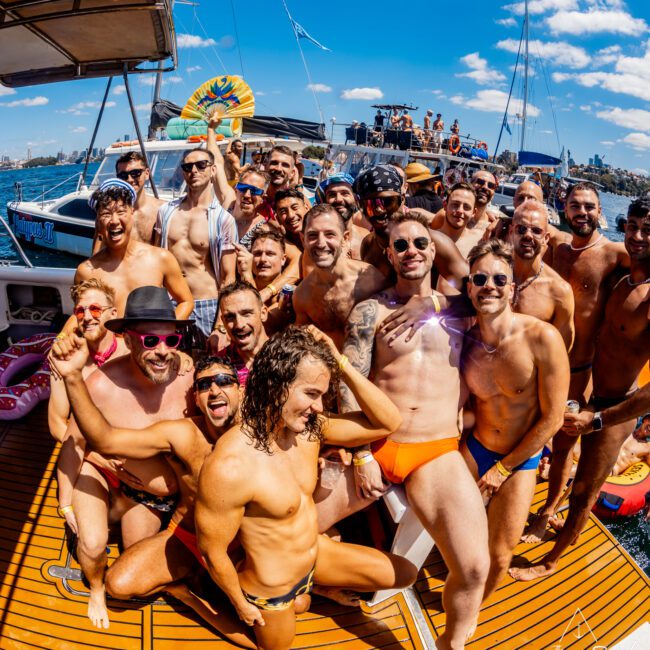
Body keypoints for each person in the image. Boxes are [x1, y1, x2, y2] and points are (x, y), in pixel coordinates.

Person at [321, 213, 490, 648]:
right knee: (291, 527)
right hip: (374, 443)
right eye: (401, 246)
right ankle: (320, 583)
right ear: (391, 256)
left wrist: (433, 303)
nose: (411, 251)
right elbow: (349, 383)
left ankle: (452, 645)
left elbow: (497, 292)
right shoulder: (370, 312)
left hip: (433, 451)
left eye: (420, 242)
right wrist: (359, 455)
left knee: (473, 568)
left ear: (434, 250)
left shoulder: (463, 308)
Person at [195, 326, 417, 650]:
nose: (318, 406)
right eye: (311, 394)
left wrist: (340, 362)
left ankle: (313, 591)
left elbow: (387, 422)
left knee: (405, 573)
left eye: (323, 395)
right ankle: (196, 602)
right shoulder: (230, 465)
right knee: (276, 647)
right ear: (277, 385)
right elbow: (212, 552)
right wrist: (241, 605)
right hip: (273, 587)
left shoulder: (310, 431)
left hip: (314, 557)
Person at [50, 340, 254, 647]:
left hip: (238, 549)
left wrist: (354, 456)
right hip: (187, 537)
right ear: (195, 399)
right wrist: (75, 378)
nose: (215, 390)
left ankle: (204, 590)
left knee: (280, 618)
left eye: (225, 381)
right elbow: (105, 438)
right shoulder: (183, 432)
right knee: (117, 584)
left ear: (240, 390)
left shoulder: (257, 435)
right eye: (204, 385)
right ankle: (185, 592)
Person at [511, 197, 649, 581]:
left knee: (585, 490)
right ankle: (550, 518)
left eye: (647, 230)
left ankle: (551, 561)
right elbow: (557, 233)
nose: (637, 237)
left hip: (614, 406)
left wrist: (600, 419)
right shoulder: (624, 277)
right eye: (633, 226)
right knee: (565, 459)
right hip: (589, 391)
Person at [56, 286, 196, 629]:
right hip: (109, 478)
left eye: (170, 341)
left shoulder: (190, 377)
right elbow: (73, 443)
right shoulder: (102, 384)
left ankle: (124, 520)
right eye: (150, 341)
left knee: (138, 565)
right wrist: (65, 504)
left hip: (155, 499)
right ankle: (96, 589)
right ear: (129, 341)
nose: (162, 351)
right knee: (92, 545)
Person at [461, 239, 569, 601]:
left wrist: (502, 470)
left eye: (498, 279)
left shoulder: (542, 337)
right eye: (479, 279)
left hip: (519, 461)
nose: (488, 286)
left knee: (499, 554)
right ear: (469, 287)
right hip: (474, 447)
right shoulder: (464, 338)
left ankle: (473, 613)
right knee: (454, 529)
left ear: (511, 287)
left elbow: (553, 418)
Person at [522, 182, 629, 541]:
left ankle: (548, 509)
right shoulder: (555, 245)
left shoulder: (614, 253)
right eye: (575, 206)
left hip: (578, 371)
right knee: (527, 431)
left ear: (600, 212)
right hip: (538, 367)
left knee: (566, 442)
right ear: (563, 209)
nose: (582, 213)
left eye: (589, 207)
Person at [75, 179, 193, 319]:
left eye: (121, 212)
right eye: (106, 214)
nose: (114, 221)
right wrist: (62, 337)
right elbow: (80, 315)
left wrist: (163, 334)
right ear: (98, 222)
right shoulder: (86, 272)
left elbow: (186, 301)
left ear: (132, 213)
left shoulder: (161, 258)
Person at [155, 148, 238, 347]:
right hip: (171, 304)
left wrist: (220, 325)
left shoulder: (222, 219)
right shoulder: (166, 212)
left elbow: (228, 277)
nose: (194, 170)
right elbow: (156, 262)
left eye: (201, 165)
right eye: (187, 166)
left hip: (207, 304)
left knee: (209, 366)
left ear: (213, 170)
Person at [293, 204, 387, 350]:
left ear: (345, 238)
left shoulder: (370, 279)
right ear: (302, 239)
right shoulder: (302, 295)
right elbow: (303, 346)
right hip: (330, 369)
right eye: (312, 235)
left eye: (330, 234)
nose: (321, 243)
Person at [49, 279, 127, 442]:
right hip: (86, 447)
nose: (87, 317)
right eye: (79, 311)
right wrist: (94, 456)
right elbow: (57, 423)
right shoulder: (65, 360)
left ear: (113, 313)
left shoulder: (130, 352)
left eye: (95, 309)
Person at [509, 201, 575, 350]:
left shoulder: (559, 292)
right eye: (521, 229)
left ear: (546, 238)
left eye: (536, 231)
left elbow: (560, 354)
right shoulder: (493, 274)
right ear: (511, 232)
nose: (528, 235)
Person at [235, 227, 294, 335]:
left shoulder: (288, 294)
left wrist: (247, 274)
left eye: (270, 254)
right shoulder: (237, 289)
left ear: (283, 259)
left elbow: (264, 325)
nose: (263, 259)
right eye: (257, 254)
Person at [217, 281, 269, 386]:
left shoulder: (288, 355)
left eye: (246, 314)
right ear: (223, 321)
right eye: (230, 317)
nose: (239, 325)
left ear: (263, 313)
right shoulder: (218, 365)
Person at [113, 151, 164, 245]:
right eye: (123, 176)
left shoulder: (162, 210)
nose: (129, 179)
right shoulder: (111, 212)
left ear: (147, 173)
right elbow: (98, 249)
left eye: (135, 173)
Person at [316, 173, 370, 259]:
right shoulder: (317, 239)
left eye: (345, 193)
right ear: (324, 202)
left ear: (356, 200)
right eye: (332, 195)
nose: (339, 199)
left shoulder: (366, 237)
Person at [433, 182, 478, 256]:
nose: (460, 211)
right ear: (445, 205)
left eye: (466, 207)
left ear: (474, 212)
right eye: (455, 205)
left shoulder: (478, 242)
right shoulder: (430, 238)